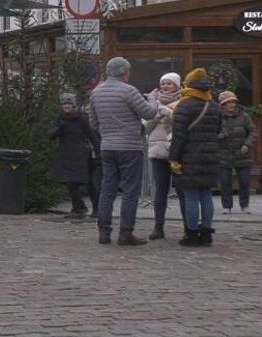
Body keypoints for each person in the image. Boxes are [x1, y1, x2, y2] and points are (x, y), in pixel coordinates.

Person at [88, 57, 158, 246]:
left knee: (107, 189)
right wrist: (153, 99)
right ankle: (126, 232)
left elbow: (93, 123)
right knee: (130, 191)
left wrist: (107, 131)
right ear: (124, 72)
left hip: (107, 146)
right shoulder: (129, 91)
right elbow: (149, 113)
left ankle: (104, 232)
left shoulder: (96, 92)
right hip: (129, 147)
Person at [168, 69, 221, 247]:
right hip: (211, 155)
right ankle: (206, 234)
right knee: (206, 194)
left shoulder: (184, 105)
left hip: (189, 156)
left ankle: (191, 233)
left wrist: (173, 159)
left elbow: (179, 136)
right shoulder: (213, 105)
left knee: (191, 194)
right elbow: (218, 130)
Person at [144, 72, 184, 239]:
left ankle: (188, 226)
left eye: (169, 83)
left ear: (177, 85)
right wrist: (157, 114)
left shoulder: (183, 102)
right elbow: (145, 126)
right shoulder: (153, 103)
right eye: (163, 83)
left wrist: (168, 113)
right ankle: (158, 226)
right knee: (160, 190)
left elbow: (183, 123)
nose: (165, 86)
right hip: (158, 152)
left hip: (178, 151)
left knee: (182, 190)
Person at [48, 93, 100, 219]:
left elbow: (91, 134)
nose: (66, 106)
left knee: (89, 183)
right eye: (64, 104)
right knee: (70, 183)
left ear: (73, 105)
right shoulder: (58, 119)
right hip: (65, 153)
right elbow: (51, 135)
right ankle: (79, 208)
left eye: (69, 104)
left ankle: (97, 209)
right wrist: (59, 127)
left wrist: (99, 150)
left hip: (81, 153)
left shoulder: (82, 118)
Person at [216, 91, 256, 215]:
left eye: (233, 102)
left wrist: (247, 145)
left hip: (242, 154)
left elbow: (253, 132)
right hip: (224, 154)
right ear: (222, 105)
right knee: (225, 182)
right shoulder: (217, 118)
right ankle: (226, 206)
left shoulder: (244, 117)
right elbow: (211, 134)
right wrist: (219, 136)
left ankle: (244, 205)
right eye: (228, 103)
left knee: (244, 182)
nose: (231, 105)